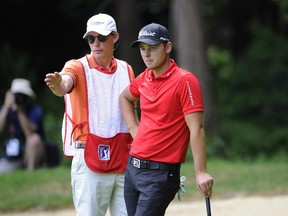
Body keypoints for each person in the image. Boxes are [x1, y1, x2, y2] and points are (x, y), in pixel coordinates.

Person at [44, 13, 135, 216]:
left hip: (123, 158)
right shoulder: (76, 66)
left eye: (101, 38)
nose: (96, 43)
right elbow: (65, 83)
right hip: (89, 158)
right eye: (91, 38)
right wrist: (58, 85)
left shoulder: (126, 69)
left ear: (115, 37)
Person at [119, 23, 214, 216]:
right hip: (132, 170)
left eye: (152, 48)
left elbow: (197, 129)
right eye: (143, 49)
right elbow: (125, 98)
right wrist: (134, 129)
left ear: (168, 47)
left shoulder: (185, 81)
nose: (147, 54)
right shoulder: (145, 77)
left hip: (160, 175)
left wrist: (201, 171)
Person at [0, 78, 46, 173]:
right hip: (12, 155)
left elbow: (29, 133)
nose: (20, 99)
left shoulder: (35, 111)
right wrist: (5, 107)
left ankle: (31, 173)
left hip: (31, 154)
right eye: (17, 96)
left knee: (34, 139)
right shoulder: (7, 110)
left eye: (23, 96)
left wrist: (20, 112)